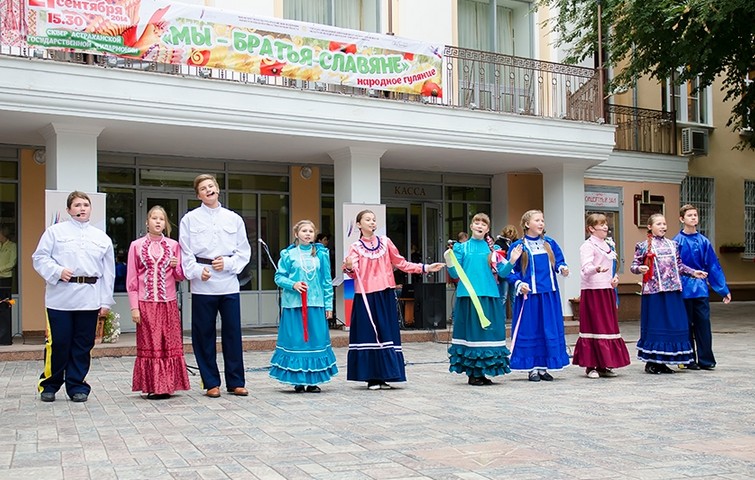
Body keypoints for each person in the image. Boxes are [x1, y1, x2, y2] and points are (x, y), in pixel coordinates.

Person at [342, 209, 445, 390]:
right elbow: (352, 272)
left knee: (386, 332)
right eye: (368, 220)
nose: (372, 222)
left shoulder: (385, 242)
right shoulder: (355, 247)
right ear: (359, 225)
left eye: (374, 220)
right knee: (369, 333)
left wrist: (426, 268)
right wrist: (349, 266)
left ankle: (387, 374)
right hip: (366, 296)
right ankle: (371, 377)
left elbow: (401, 263)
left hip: (385, 293)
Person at [32, 191, 115, 403]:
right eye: (77, 205)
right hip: (60, 297)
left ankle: (77, 385)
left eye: (85, 205)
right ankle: (50, 383)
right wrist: (57, 271)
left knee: (83, 344)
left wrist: (105, 301)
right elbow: (39, 258)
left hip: (89, 297)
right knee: (59, 342)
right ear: (69, 210)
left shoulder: (101, 237)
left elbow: (108, 273)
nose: (82, 208)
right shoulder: (54, 232)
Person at [179, 174, 252, 398]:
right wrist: (196, 271)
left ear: (218, 189)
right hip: (203, 284)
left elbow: (244, 251)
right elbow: (185, 252)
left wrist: (229, 263)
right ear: (198, 194)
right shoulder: (190, 219)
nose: (208, 190)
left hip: (228, 283)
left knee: (232, 334)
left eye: (211, 186)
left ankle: (236, 381)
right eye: (203, 188)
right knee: (204, 335)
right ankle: (210, 382)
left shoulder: (233, 218)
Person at [447, 213, 522, 385]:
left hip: (490, 295)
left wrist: (511, 260)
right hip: (469, 296)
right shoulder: (461, 248)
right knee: (473, 334)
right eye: (477, 222)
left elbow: (503, 273)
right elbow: (454, 273)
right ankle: (473, 374)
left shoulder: (493, 250)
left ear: (487, 229)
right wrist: (449, 261)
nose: (480, 226)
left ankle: (483, 372)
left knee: (489, 333)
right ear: (471, 226)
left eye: (483, 224)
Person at [630, 213, 707, 374]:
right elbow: (634, 265)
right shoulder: (643, 245)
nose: (663, 227)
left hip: (673, 290)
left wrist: (694, 273)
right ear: (650, 227)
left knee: (674, 324)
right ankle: (652, 362)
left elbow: (679, 266)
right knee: (656, 325)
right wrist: (640, 269)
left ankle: (665, 361)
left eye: (664, 224)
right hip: (654, 293)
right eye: (659, 224)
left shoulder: (673, 245)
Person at [127, 206, 190, 399]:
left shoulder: (173, 246)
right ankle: (153, 386)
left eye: (161, 219)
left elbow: (180, 277)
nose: (157, 222)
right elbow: (131, 280)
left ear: (165, 223)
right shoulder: (136, 246)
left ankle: (168, 385)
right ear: (147, 222)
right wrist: (134, 307)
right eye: (154, 218)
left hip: (168, 303)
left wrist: (176, 266)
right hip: (146, 303)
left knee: (168, 344)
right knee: (151, 344)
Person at [270, 220, 338, 392]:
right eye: (304, 231)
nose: (308, 234)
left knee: (314, 341)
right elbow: (279, 277)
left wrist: (328, 305)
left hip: (315, 304)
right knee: (297, 342)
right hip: (294, 306)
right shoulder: (288, 254)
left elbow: (326, 281)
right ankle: (298, 380)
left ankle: (313, 381)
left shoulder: (321, 254)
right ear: (296, 234)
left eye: (311, 231)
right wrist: (293, 285)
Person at [507, 209, 571, 382]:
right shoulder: (518, 246)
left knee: (547, 329)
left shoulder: (549, 243)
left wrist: (562, 268)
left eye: (542, 220)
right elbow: (511, 271)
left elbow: (559, 261)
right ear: (527, 224)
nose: (541, 223)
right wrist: (520, 284)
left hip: (549, 295)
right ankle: (532, 368)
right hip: (530, 296)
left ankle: (543, 367)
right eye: (537, 220)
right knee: (531, 329)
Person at [572, 213, 631, 378]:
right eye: (601, 224)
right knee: (594, 325)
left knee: (607, 326)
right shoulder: (588, 246)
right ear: (591, 228)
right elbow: (585, 268)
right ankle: (590, 366)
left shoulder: (608, 245)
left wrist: (614, 278)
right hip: (593, 291)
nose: (606, 227)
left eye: (606, 224)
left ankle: (604, 364)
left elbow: (611, 267)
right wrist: (596, 269)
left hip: (607, 290)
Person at [673, 205, 731, 370]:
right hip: (683, 289)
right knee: (686, 325)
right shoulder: (677, 241)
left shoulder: (704, 241)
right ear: (681, 219)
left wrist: (723, 289)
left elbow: (713, 266)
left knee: (703, 324)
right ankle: (688, 358)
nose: (693, 218)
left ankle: (706, 359)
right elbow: (674, 266)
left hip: (700, 289)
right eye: (689, 215)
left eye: (695, 215)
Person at [494, 225, 518, 319]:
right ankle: (501, 319)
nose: (510, 234)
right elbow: (497, 257)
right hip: (504, 273)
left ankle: (516, 318)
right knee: (503, 297)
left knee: (514, 297)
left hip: (514, 273)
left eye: (512, 232)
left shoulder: (517, 243)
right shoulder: (499, 242)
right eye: (508, 232)